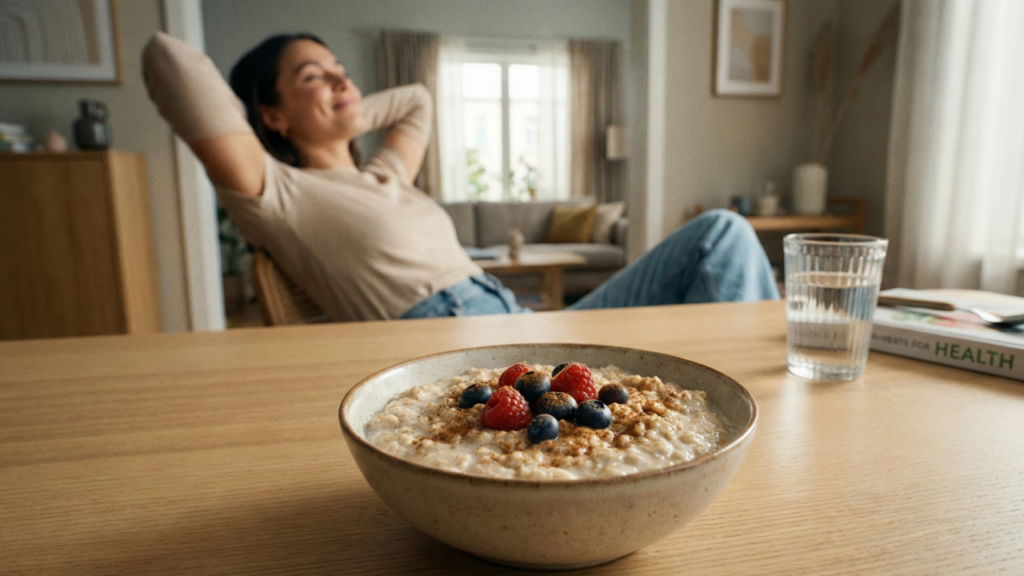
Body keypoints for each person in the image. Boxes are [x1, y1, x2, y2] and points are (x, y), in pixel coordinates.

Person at [142, 32, 778, 322]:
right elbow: (168, 61)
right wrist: (297, 121)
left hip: (518, 317)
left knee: (719, 233)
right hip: (457, 345)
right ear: (272, 114)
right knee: (718, 240)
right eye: (313, 75)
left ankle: (751, 397)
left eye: (343, 68)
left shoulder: (388, 173)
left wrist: (347, 105)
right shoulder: (277, 194)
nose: (340, 78)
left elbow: (418, 96)